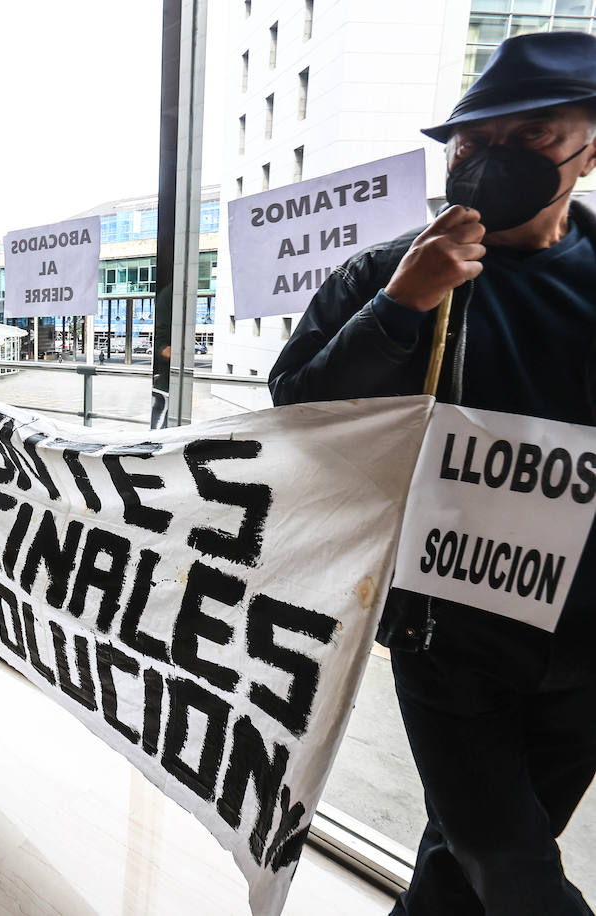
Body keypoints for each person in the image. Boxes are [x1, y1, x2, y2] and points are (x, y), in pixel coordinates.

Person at [269, 31, 596, 916]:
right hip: (446, 633)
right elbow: (300, 414)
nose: (491, 158)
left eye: (532, 136)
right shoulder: (384, 273)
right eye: (472, 139)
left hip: (582, 647)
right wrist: (401, 307)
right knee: (510, 861)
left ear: (588, 146)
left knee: (469, 857)